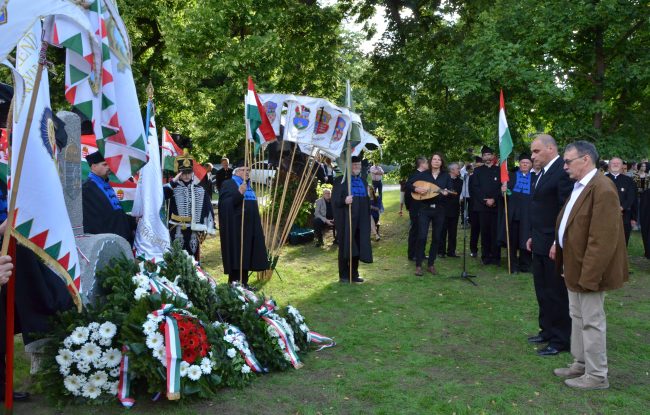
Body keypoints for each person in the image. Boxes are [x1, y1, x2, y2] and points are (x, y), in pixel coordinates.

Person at [553, 141, 628, 390]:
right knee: (577, 317)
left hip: (589, 270)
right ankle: (581, 363)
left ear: (585, 159)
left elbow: (602, 240)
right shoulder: (581, 186)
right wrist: (559, 243)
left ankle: (597, 375)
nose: (565, 166)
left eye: (568, 161)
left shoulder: (602, 188)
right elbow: (571, 222)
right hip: (574, 264)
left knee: (592, 320)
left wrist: (590, 276)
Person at [527, 134, 573, 356]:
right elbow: (541, 208)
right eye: (532, 151)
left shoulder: (562, 172)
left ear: (551, 149)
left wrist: (557, 241)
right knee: (542, 289)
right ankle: (546, 330)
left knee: (556, 292)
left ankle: (560, 339)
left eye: (536, 151)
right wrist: (532, 236)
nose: (532, 156)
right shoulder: (543, 172)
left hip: (553, 244)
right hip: (539, 240)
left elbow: (565, 210)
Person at [218, 165, 269, 287]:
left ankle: (244, 283)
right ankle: (234, 283)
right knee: (237, 254)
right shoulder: (229, 184)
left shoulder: (248, 185)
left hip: (250, 226)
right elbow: (224, 204)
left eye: (248, 170)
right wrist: (239, 193)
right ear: (236, 172)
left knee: (246, 254)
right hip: (236, 227)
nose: (247, 172)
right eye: (244, 170)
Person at [164, 150, 216, 261]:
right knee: (177, 257)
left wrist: (209, 226)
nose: (186, 175)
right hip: (176, 227)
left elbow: (208, 207)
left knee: (192, 258)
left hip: (193, 229)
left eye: (189, 172)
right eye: (183, 173)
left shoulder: (199, 189)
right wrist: (173, 181)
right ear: (179, 174)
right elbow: (161, 195)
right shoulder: (172, 188)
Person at [409, 153, 452, 276]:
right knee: (421, 236)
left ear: (441, 162)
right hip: (424, 209)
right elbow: (408, 184)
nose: (436, 161)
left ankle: (431, 264)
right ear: (430, 161)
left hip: (439, 210)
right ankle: (418, 265)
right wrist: (416, 189)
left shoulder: (446, 176)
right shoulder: (424, 174)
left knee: (436, 237)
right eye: (434, 159)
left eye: (439, 160)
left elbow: (451, 189)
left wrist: (447, 192)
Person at [82, 151, 137, 245]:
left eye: (109, 164)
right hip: (107, 241)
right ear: (93, 166)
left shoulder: (105, 183)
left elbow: (116, 212)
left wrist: (133, 221)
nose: (108, 167)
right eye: (104, 164)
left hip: (119, 237)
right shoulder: (87, 188)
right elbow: (93, 220)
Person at [332, 155, 373, 283]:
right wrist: (344, 200)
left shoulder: (363, 181)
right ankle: (344, 275)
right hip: (346, 220)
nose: (357, 167)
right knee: (345, 245)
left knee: (357, 245)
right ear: (348, 166)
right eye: (354, 165)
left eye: (359, 165)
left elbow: (366, 202)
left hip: (361, 220)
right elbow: (335, 201)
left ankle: (354, 274)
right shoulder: (341, 181)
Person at [500, 153, 533, 273]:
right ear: (519, 164)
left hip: (528, 215)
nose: (525, 164)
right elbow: (505, 194)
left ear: (531, 165)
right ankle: (513, 265)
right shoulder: (511, 176)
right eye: (523, 162)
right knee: (512, 240)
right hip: (513, 214)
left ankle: (525, 264)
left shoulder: (535, 177)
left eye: (527, 163)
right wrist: (503, 190)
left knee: (526, 239)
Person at [470, 146, 501, 265]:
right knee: (485, 232)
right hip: (482, 206)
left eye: (489, 154)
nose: (487, 157)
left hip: (496, 205)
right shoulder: (477, 171)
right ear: (482, 157)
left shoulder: (499, 170)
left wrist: (494, 199)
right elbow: (475, 188)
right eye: (485, 155)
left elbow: (501, 187)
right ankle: (486, 257)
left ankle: (496, 257)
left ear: (493, 156)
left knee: (495, 232)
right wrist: (485, 200)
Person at [605, 157, 636, 246]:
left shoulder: (629, 180)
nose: (615, 164)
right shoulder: (602, 179)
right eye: (613, 163)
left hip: (624, 216)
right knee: (606, 240)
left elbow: (631, 197)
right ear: (609, 165)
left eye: (618, 163)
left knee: (623, 241)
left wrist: (621, 208)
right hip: (606, 215)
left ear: (622, 166)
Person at [406, 157, 429, 261]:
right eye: (427, 163)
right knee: (415, 231)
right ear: (422, 164)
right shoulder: (415, 175)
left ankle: (421, 253)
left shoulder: (426, 175)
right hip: (415, 207)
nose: (429, 164)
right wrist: (416, 189)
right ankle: (412, 254)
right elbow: (408, 186)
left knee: (423, 231)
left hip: (424, 207)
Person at [439, 162, 463, 258]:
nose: (459, 170)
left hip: (454, 209)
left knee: (453, 232)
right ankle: (441, 251)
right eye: (458, 168)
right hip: (443, 209)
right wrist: (447, 192)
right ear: (452, 170)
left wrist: (447, 192)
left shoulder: (460, 181)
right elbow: (440, 191)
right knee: (442, 231)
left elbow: (456, 192)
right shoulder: (443, 179)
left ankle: (451, 251)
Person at [468, 156, 483, 257]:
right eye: (476, 166)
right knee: (475, 230)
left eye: (479, 166)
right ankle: (473, 250)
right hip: (474, 207)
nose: (477, 168)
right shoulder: (471, 177)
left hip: (485, 206)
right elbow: (471, 192)